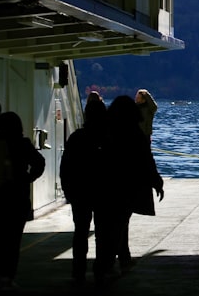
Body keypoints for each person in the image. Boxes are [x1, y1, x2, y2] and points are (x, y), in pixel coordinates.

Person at [94, 94, 164, 280]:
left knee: (103, 228)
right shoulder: (136, 135)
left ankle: (103, 263)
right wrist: (156, 182)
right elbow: (146, 160)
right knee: (120, 224)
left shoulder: (104, 133)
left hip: (104, 187)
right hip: (126, 188)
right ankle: (117, 259)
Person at [0, 111, 45, 290]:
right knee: (12, 240)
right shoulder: (22, 144)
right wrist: (27, 179)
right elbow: (39, 163)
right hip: (16, 199)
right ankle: (7, 277)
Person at [60, 94, 108, 283]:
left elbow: (66, 167)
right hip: (103, 192)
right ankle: (101, 268)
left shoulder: (76, 138)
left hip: (80, 192)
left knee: (80, 231)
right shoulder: (108, 138)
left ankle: (78, 270)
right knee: (102, 232)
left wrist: (68, 191)